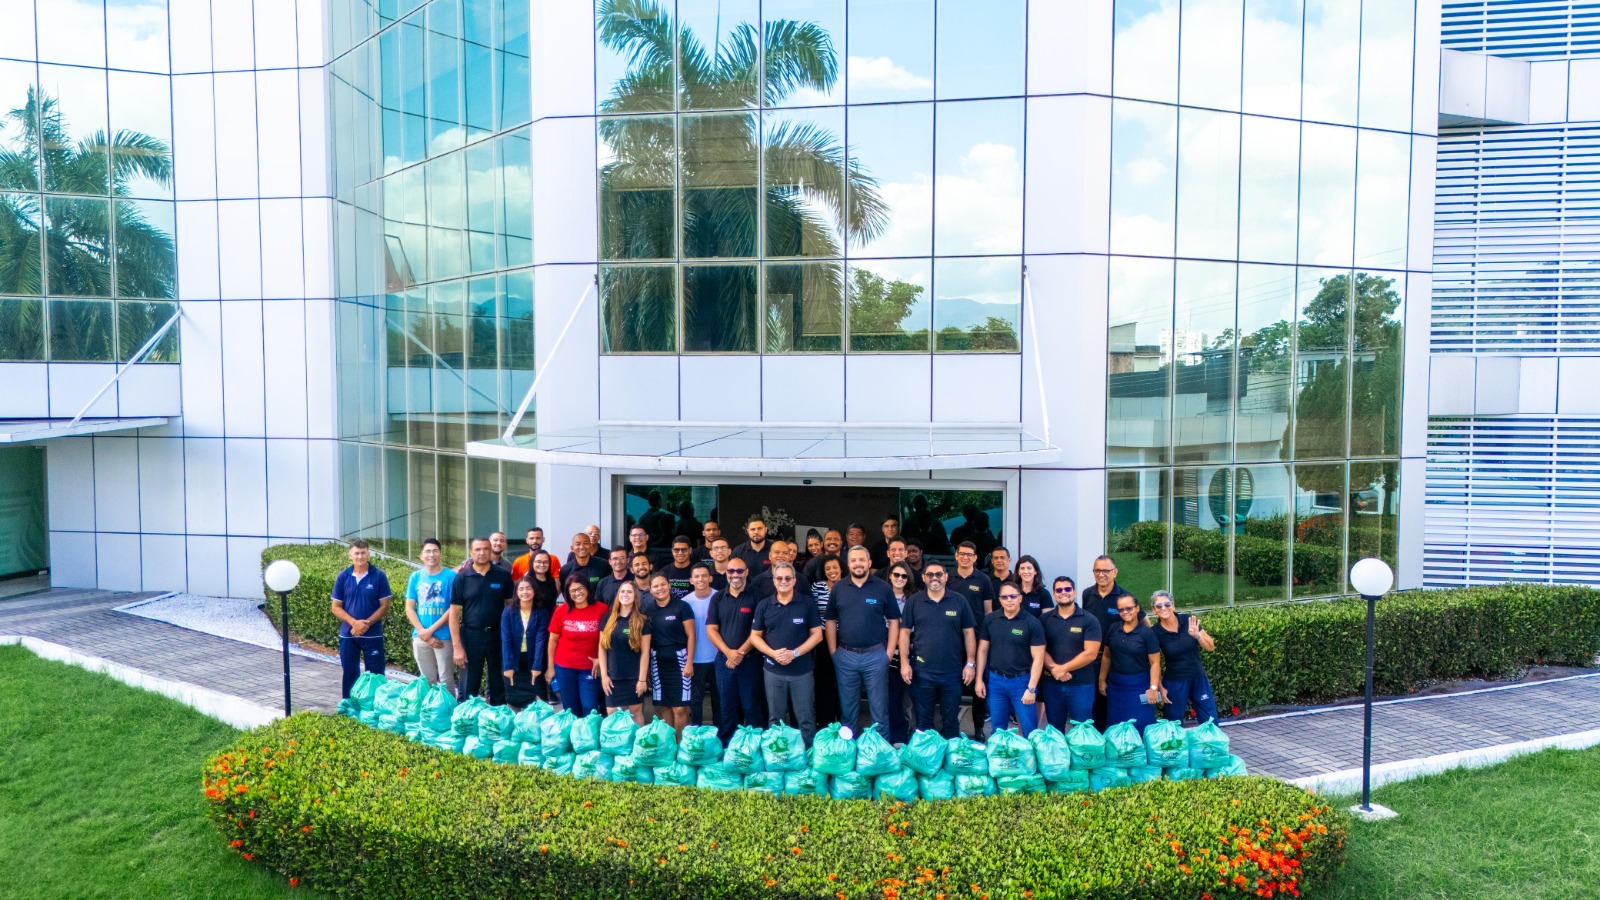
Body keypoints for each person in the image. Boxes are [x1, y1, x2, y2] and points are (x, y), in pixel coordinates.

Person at [898, 561, 977, 739]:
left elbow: (969, 633)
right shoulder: (914, 601)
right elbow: (904, 634)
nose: (935, 578)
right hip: (922, 672)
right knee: (923, 721)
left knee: (951, 720)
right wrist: (904, 663)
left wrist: (970, 663)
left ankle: (950, 760)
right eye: (930, 575)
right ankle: (926, 760)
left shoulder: (959, 601)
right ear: (924, 578)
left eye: (939, 574)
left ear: (946, 577)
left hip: (952, 672)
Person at [826, 546, 899, 735]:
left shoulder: (883, 588)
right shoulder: (839, 588)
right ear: (848, 564)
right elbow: (830, 620)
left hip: (876, 657)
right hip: (845, 656)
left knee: (879, 711)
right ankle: (848, 754)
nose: (858, 564)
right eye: (853, 560)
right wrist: (834, 652)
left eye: (861, 560)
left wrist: (888, 654)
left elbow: (893, 621)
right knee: (848, 711)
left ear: (869, 563)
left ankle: (878, 757)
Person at [749, 563, 823, 744]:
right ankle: (778, 757)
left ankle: (807, 759)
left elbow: (818, 635)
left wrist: (795, 653)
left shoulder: (807, 603)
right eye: (779, 578)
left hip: (802, 671)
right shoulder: (764, 605)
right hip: (774, 672)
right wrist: (773, 653)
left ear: (794, 580)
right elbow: (754, 637)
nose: (783, 581)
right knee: (775, 719)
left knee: (805, 718)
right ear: (774, 581)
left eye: (788, 578)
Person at [975, 583, 1046, 736]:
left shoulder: (1032, 623)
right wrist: (979, 679)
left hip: (1022, 682)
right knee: (997, 731)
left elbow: (1039, 659)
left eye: (1013, 596)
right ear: (999, 600)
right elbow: (982, 650)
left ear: (1020, 598)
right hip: (995, 682)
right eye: (1004, 597)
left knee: (1029, 730)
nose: (1009, 600)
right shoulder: (990, 620)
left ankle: (1029, 760)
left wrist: (1031, 689)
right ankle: (1000, 759)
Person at [449, 537, 514, 704]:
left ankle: (496, 721)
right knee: (470, 684)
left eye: (486, 549)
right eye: (477, 549)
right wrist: (457, 647)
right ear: (471, 553)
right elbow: (454, 614)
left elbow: (509, 608)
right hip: (471, 636)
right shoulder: (462, 578)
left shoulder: (503, 576)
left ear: (491, 551)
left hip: (496, 635)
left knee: (498, 682)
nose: (482, 553)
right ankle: (468, 719)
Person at [706, 557, 763, 743]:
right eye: (731, 571)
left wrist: (740, 653)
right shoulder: (718, 598)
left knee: (751, 707)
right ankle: (727, 748)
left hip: (750, 661)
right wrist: (729, 652)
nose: (735, 575)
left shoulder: (757, 596)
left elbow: (759, 630)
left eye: (740, 571)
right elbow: (711, 630)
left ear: (746, 572)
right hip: (724, 661)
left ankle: (754, 747)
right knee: (727, 707)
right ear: (726, 573)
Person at [947, 541, 996, 739]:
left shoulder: (983, 580)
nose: (966, 557)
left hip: (976, 640)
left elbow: (988, 612)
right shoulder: (948, 578)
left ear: (975, 557)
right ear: (956, 555)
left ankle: (978, 729)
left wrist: (986, 638)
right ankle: (951, 729)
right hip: (951, 639)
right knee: (952, 685)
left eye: (970, 554)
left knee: (979, 685)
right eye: (962, 553)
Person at [331, 540, 392, 698]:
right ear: (350, 555)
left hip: (372, 633)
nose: (360, 556)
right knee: (350, 672)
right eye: (356, 553)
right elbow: (335, 606)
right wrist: (354, 623)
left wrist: (366, 624)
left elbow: (385, 605)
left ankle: (375, 707)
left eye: (363, 552)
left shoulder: (379, 576)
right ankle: (349, 707)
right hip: (348, 633)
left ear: (368, 554)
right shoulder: (343, 576)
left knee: (376, 674)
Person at [1039, 576, 1101, 730]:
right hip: (1052, 683)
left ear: (1074, 592)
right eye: (1059, 590)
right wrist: (1055, 669)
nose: (1063, 593)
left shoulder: (1089, 620)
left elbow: (1090, 653)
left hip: (1081, 685)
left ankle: (1080, 756)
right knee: (1054, 728)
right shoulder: (1044, 619)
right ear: (1054, 594)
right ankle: (1059, 755)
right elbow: (1040, 649)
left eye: (1067, 589)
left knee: (1082, 728)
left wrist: (1064, 668)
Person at [1150, 590, 1220, 725]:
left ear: (1173, 606)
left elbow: (1210, 647)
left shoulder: (1189, 621)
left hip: (1198, 677)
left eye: (1167, 604)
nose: (1164, 608)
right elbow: (1154, 663)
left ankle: (1212, 745)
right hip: (1174, 682)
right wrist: (1160, 687)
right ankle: (1176, 747)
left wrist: (1197, 636)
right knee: (1174, 722)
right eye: (1159, 606)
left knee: (1209, 719)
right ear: (1154, 611)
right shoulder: (1154, 633)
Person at [1098, 593, 1162, 733]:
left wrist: (1153, 688)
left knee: (1141, 724)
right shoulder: (1113, 628)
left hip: (1140, 685)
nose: (1125, 612)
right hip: (1116, 686)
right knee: (1116, 726)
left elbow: (1155, 663)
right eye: (1121, 609)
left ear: (1137, 608)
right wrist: (1102, 679)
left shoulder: (1147, 633)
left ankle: (1140, 754)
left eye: (1129, 608)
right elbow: (1107, 656)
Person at [1083, 555, 1133, 729]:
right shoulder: (1087, 594)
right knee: (1095, 703)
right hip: (1092, 660)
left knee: (1117, 702)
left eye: (1106, 570)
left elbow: (1141, 624)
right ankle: (1099, 741)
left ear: (1115, 572)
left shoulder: (1125, 596)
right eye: (1097, 570)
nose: (1101, 574)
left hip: (1117, 659)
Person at [643, 572, 697, 737]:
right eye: (656, 586)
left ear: (669, 586)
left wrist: (689, 662)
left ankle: (681, 747)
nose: (660, 589)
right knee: (664, 706)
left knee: (680, 708)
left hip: (679, 660)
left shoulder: (682, 607)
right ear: (651, 590)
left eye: (663, 585)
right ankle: (670, 745)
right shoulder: (648, 610)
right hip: (657, 662)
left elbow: (691, 636)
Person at [544, 578, 607, 717]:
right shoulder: (561, 611)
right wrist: (550, 667)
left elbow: (607, 639)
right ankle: (575, 736)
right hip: (565, 667)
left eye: (580, 588)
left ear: (587, 589)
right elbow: (553, 640)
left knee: (589, 706)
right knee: (570, 708)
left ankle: (588, 736)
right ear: (567, 593)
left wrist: (600, 659)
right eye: (572, 590)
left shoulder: (601, 609)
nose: (577, 593)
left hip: (590, 667)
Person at [598, 582, 653, 725]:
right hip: (612, 677)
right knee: (612, 712)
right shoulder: (607, 618)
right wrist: (604, 676)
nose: (625, 595)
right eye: (622, 592)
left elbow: (645, 653)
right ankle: (616, 746)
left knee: (635, 711)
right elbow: (602, 648)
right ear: (618, 595)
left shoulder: (642, 621)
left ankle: (637, 746)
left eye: (629, 592)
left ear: (635, 596)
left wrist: (642, 680)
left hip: (634, 677)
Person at [404, 538, 456, 687]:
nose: (431, 554)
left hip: (444, 636)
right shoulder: (416, 577)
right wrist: (423, 633)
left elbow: (453, 609)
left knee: (446, 679)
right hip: (420, 637)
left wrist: (430, 631)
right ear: (421, 555)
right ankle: (429, 710)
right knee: (426, 680)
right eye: (427, 551)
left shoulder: (451, 577)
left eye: (435, 551)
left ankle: (448, 709)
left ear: (440, 554)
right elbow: (409, 608)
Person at [501, 576, 553, 709]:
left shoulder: (541, 612)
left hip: (533, 660)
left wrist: (537, 666)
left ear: (534, 590)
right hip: (513, 661)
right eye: (521, 589)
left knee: (539, 701)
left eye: (528, 588)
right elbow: (506, 639)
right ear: (516, 592)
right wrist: (508, 666)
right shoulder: (508, 611)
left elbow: (540, 640)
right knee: (513, 700)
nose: (525, 592)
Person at [682, 563, 722, 729]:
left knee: (719, 698)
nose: (701, 579)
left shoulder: (720, 597)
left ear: (710, 578)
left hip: (718, 657)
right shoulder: (684, 603)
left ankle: (721, 736)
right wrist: (688, 661)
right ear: (691, 580)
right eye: (696, 576)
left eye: (704, 576)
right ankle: (696, 735)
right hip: (695, 660)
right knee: (696, 700)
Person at [883, 561, 916, 744]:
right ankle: (889, 735)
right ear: (890, 575)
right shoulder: (882, 595)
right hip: (885, 653)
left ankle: (902, 736)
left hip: (906, 653)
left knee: (906, 700)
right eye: (896, 575)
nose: (900, 579)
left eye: (904, 576)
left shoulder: (913, 599)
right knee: (890, 698)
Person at [809, 554, 844, 727]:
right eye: (828, 568)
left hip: (845, 638)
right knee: (823, 680)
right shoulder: (817, 587)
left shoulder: (848, 586)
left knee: (843, 680)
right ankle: (824, 721)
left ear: (841, 569)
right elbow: (813, 612)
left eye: (835, 567)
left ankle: (843, 719)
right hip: (822, 639)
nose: (832, 571)